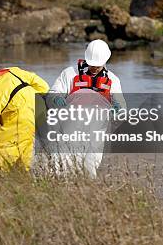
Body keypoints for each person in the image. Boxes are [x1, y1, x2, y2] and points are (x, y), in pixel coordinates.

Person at [47, 39, 126, 177]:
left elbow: (122, 108)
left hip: (96, 131)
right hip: (70, 127)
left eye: (98, 65)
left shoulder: (113, 80)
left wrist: (117, 109)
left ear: (105, 60)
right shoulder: (70, 74)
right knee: (66, 166)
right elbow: (53, 93)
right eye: (92, 64)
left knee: (90, 168)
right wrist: (57, 99)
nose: (94, 68)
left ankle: (87, 194)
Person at [0, 63, 49, 171]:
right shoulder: (11, 70)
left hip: (20, 119)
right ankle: (25, 179)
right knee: (26, 159)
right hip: (40, 110)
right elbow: (42, 85)